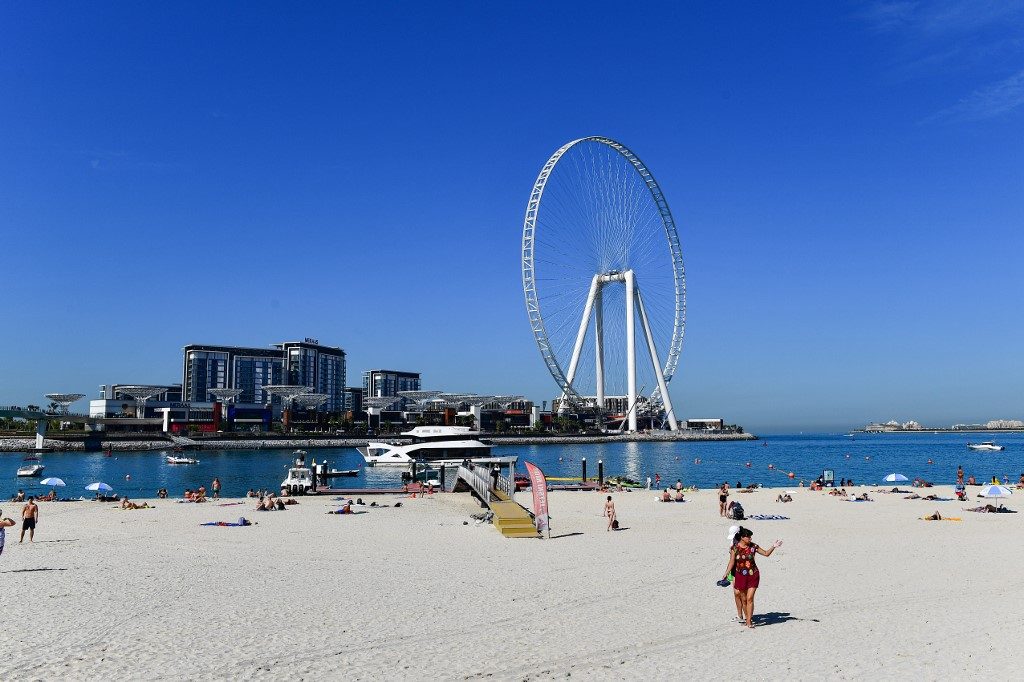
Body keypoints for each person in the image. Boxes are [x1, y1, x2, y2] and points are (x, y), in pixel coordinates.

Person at [722, 528, 782, 628]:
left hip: (753, 575)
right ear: (742, 537)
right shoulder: (735, 548)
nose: (750, 538)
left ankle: (749, 621)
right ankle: (747, 618)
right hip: (740, 575)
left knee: (750, 598)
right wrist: (726, 573)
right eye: (748, 537)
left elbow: (766, 553)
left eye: (750, 536)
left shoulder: (754, 546)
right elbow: (732, 562)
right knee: (744, 599)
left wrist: (774, 547)